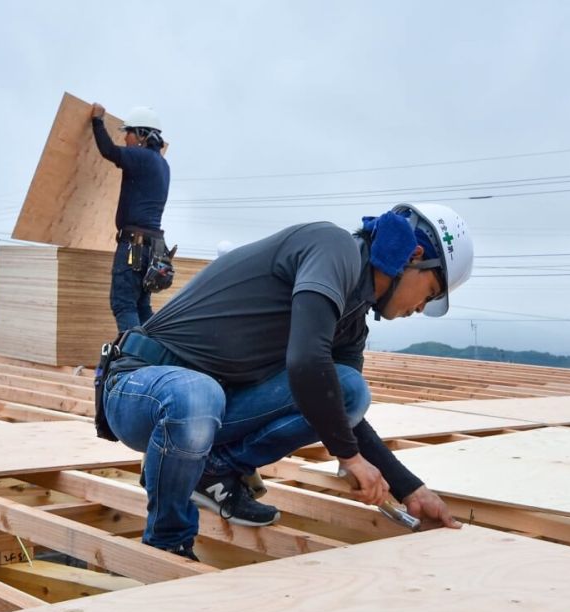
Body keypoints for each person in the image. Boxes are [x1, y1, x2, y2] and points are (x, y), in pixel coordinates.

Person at [97, 202, 475, 561]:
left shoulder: (352, 321)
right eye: (432, 292)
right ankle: (168, 540)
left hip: (211, 408)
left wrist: (409, 488)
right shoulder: (333, 248)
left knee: (348, 391)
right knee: (199, 394)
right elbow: (306, 361)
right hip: (139, 385)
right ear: (413, 257)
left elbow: (340, 412)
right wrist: (349, 457)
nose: (422, 308)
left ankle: (211, 469)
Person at [90, 102, 171, 332]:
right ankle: (152, 358)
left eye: (129, 133)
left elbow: (109, 151)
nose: (126, 139)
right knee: (142, 306)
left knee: (124, 304)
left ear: (142, 135)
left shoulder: (142, 157)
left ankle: (135, 360)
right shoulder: (163, 164)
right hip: (153, 248)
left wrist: (97, 122)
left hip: (135, 246)